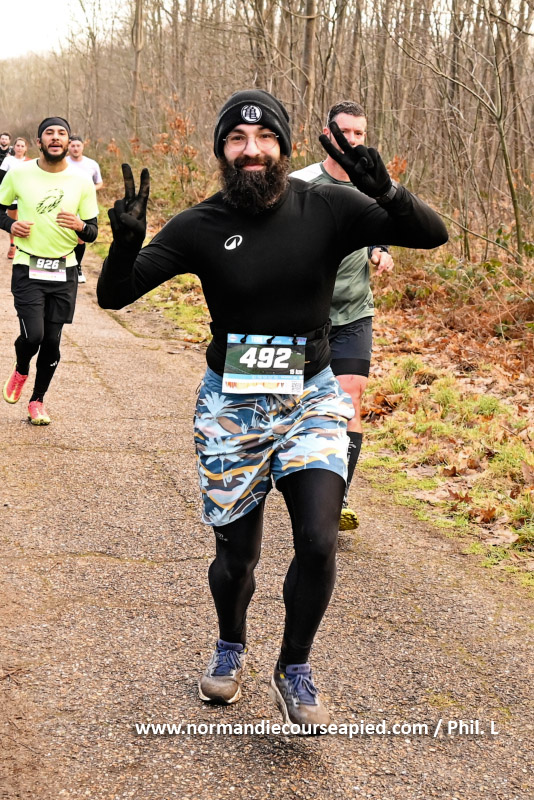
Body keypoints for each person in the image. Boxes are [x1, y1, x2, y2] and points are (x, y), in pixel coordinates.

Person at [97, 89, 447, 730]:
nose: (251, 150)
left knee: (318, 539)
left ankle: (294, 666)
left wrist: (386, 191)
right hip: (231, 408)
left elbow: (432, 235)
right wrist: (125, 244)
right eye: (237, 139)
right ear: (222, 151)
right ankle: (230, 645)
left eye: (264, 139)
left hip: (312, 397)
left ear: (284, 147)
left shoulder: (329, 205)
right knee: (237, 558)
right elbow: (115, 296)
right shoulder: (199, 225)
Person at [291, 101, 393, 532]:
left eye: (359, 133)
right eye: (344, 132)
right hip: (303, 317)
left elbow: (381, 228)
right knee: (296, 405)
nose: (352, 140)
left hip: (354, 313)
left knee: (350, 398)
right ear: (327, 133)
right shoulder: (300, 183)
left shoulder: (372, 185)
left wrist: (380, 249)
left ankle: (336, 500)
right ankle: (294, 477)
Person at [0, 117, 98, 425]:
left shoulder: (82, 181)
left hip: (64, 269)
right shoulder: (19, 173)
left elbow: (93, 231)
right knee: (34, 336)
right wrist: (10, 224)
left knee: (52, 342)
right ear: (39, 141)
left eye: (62, 133)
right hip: (27, 265)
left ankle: (37, 401)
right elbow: (0, 209)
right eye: (49, 133)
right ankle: (21, 369)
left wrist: (80, 226)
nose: (56, 137)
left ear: (69, 142)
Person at [66, 135, 104, 284]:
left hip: (85, 205)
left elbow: (99, 183)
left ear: (83, 146)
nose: (75, 148)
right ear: (68, 147)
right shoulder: (63, 162)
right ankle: (61, 266)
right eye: (72, 145)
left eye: (78, 145)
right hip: (66, 203)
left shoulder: (91, 164)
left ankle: (77, 267)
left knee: (80, 237)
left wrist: (89, 189)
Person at [0, 137, 32, 258]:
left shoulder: (30, 162)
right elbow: (1, 177)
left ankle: (26, 247)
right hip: (12, 196)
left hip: (25, 196)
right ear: (14, 147)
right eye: (18, 145)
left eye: (22, 146)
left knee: (26, 221)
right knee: (13, 222)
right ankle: (12, 245)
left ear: (26, 148)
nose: (20, 148)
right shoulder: (8, 160)